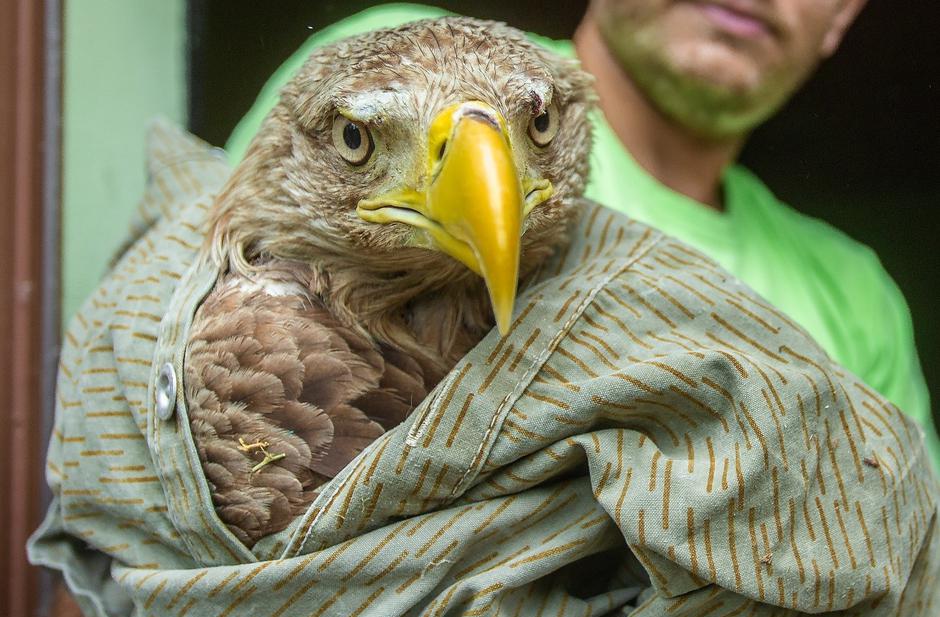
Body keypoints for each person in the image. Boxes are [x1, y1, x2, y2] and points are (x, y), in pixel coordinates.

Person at [228, 0, 939, 470]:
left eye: (534, 128)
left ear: (843, 15)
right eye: (359, 138)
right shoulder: (387, 60)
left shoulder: (858, 293)